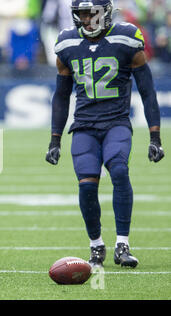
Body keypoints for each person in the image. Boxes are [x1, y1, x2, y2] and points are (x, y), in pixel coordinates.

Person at [45, 0, 165, 269]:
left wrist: (155, 136)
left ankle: (122, 243)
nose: (85, 20)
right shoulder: (67, 43)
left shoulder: (126, 38)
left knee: (119, 171)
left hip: (116, 122)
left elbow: (147, 90)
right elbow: (61, 96)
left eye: (90, 14)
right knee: (87, 184)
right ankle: (96, 245)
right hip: (85, 125)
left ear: (105, 13)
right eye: (81, 14)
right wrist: (55, 140)